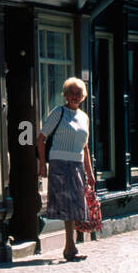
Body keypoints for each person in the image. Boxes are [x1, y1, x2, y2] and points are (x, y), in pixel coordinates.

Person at [38, 77, 95, 262]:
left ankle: (71, 246)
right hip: (60, 163)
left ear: (83, 96)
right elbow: (41, 138)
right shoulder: (58, 112)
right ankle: (70, 247)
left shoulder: (84, 117)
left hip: (77, 164)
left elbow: (85, 147)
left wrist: (90, 172)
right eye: (70, 92)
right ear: (64, 94)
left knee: (77, 205)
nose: (74, 96)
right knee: (68, 206)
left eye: (78, 93)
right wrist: (42, 165)